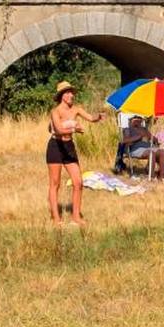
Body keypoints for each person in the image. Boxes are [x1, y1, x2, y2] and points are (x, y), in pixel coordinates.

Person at [48, 81, 104, 226]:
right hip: (55, 146)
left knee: (78, 182)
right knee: (55, 183)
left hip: (68, 146)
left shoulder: (76, 109)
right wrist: (75, 130)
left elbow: (91, 118)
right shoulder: (55, 111)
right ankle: (56, 219)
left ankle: (76, 217)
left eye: (72, 92)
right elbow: (59, 130)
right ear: (62, 96)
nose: (71, 95)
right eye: (68, 92)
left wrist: (98, 116)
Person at [120, 116, 164, 181]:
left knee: (163, 152)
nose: (138, 122)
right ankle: (151, 176)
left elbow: (155, 140)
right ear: (131, 121)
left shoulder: (144, 129)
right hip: (136, 149)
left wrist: (150, 136)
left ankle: (161, 177)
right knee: (151, 153)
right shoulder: (128, 129)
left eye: (139, 120)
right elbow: (124, 140)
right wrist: (139, 136)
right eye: (135, 120)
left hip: (148, 147)